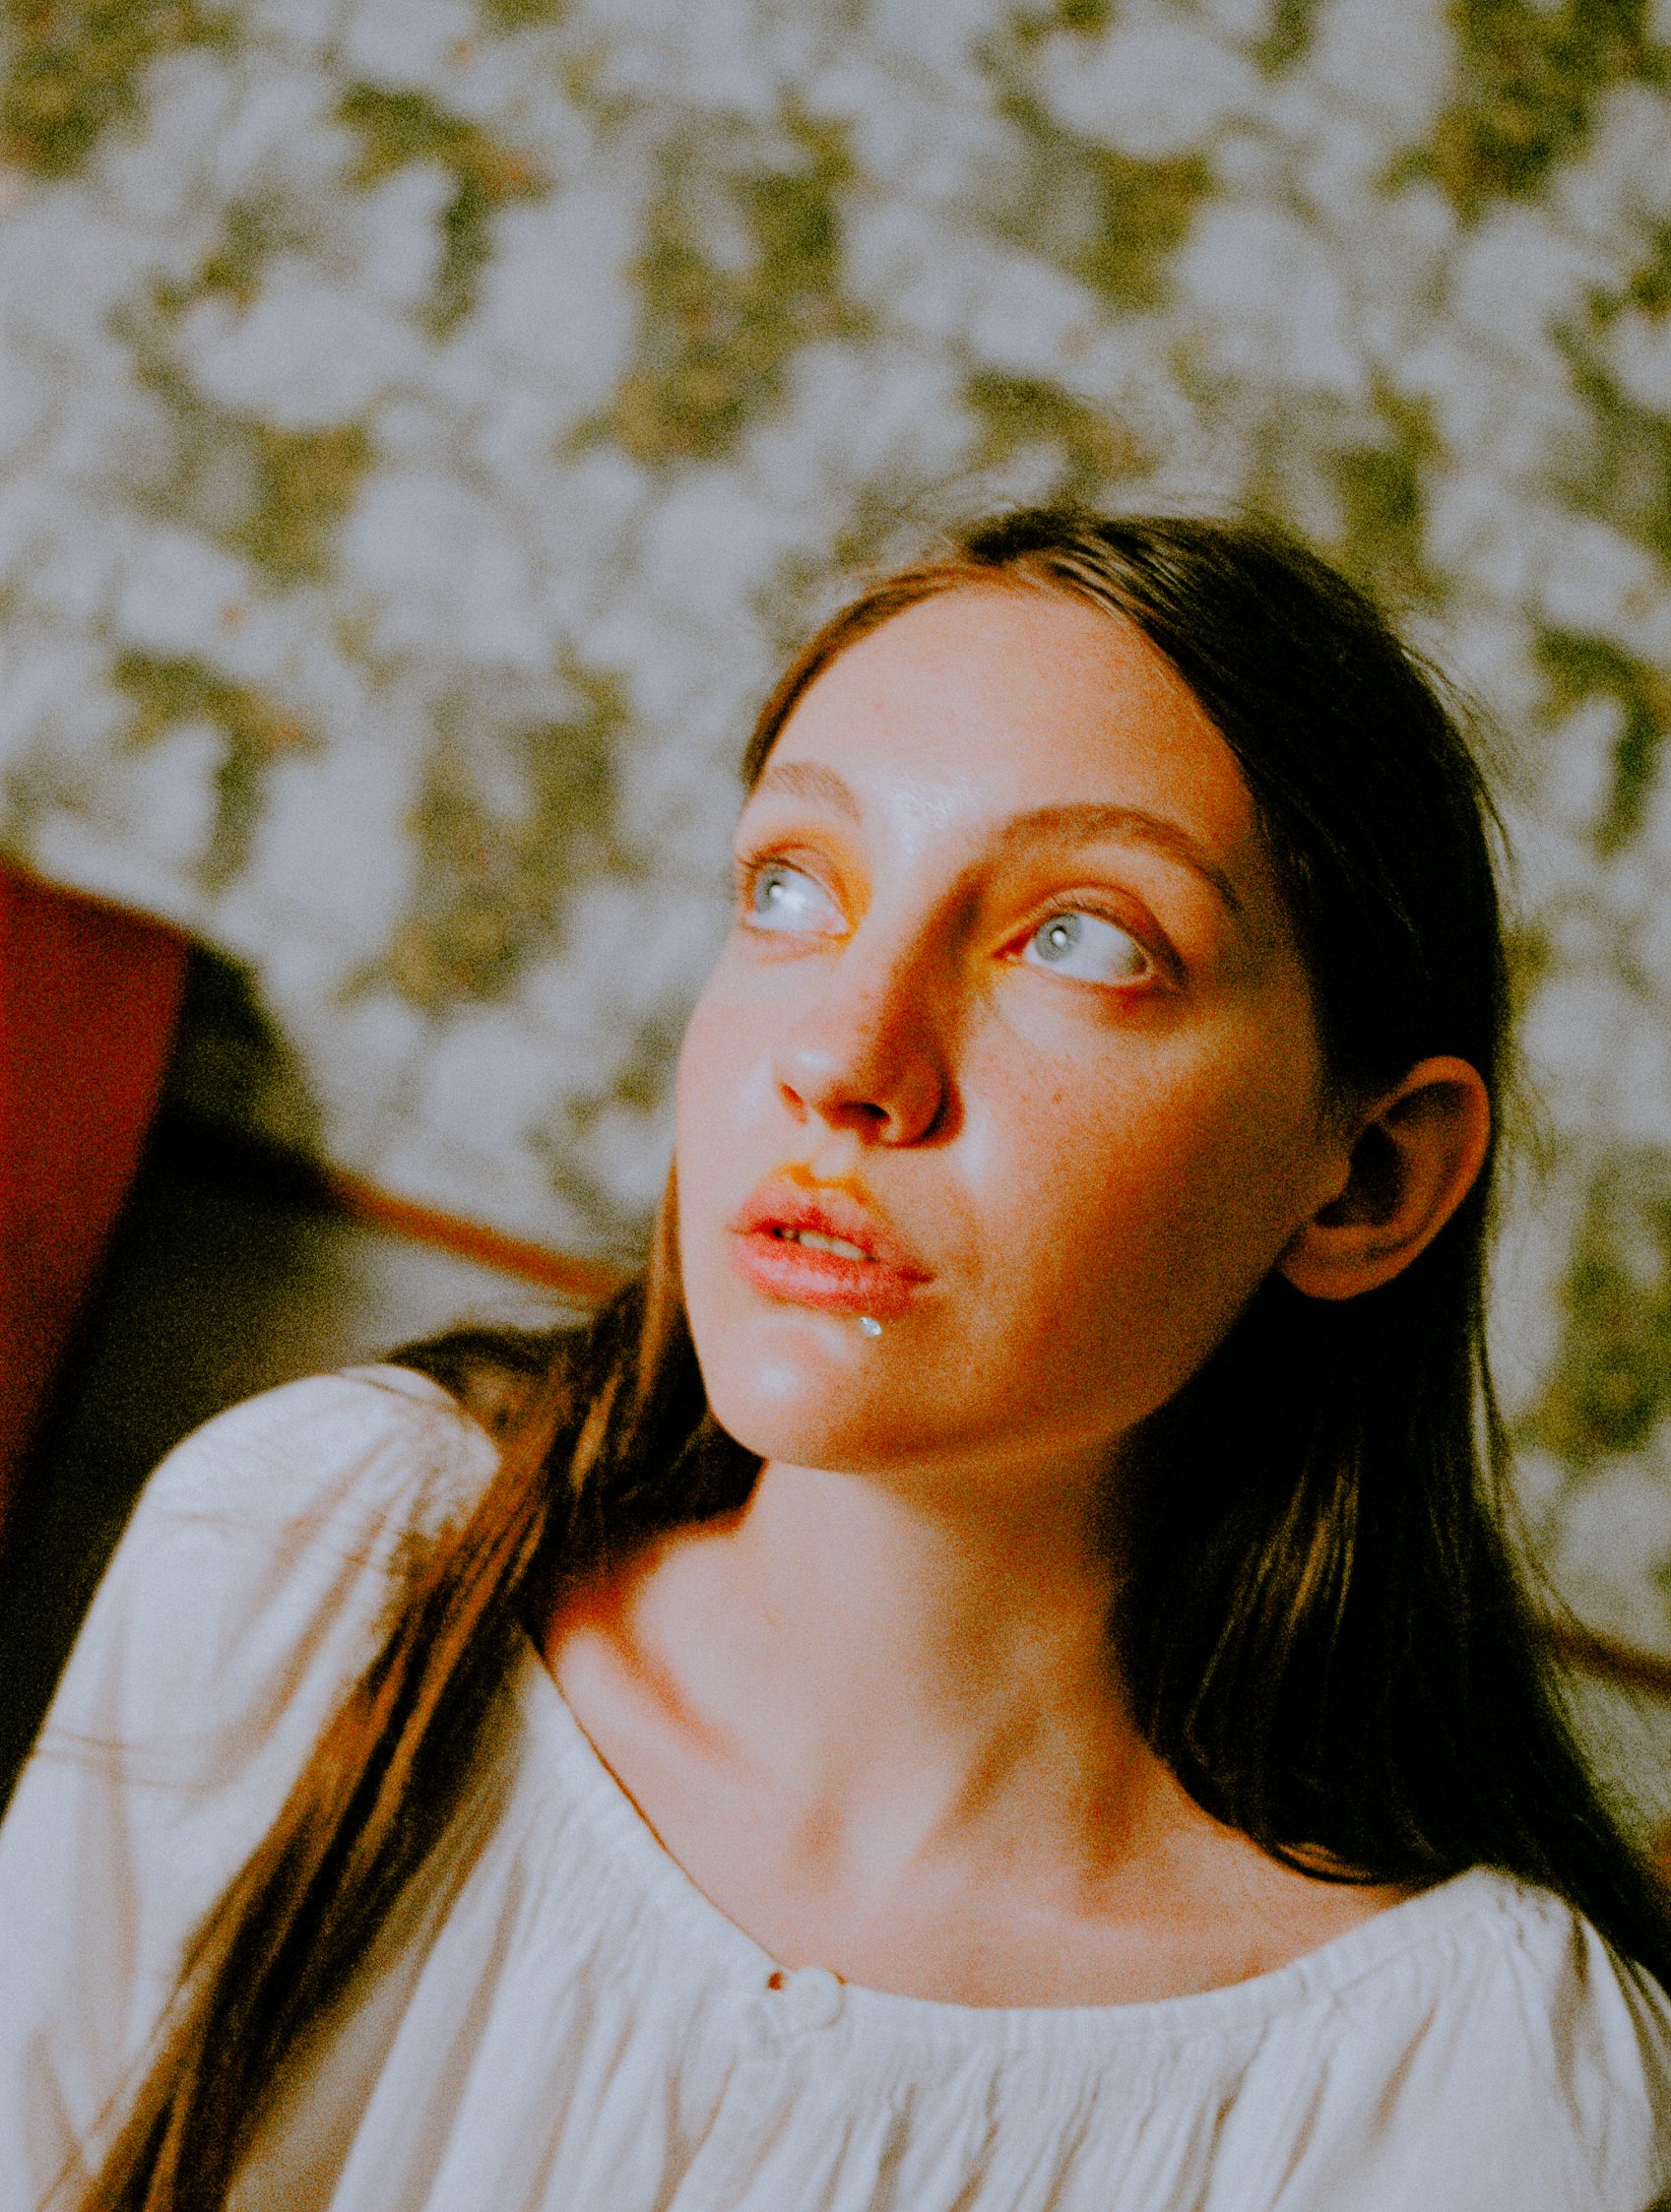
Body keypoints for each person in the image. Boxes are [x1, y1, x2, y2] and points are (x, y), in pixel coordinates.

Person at [2, 505, 1669, 2212]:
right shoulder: (315, 1565)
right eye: (792, 890)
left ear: (1368, 1178)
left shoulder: (1471, 2095)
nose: (843, 1059)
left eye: (1084, 939)